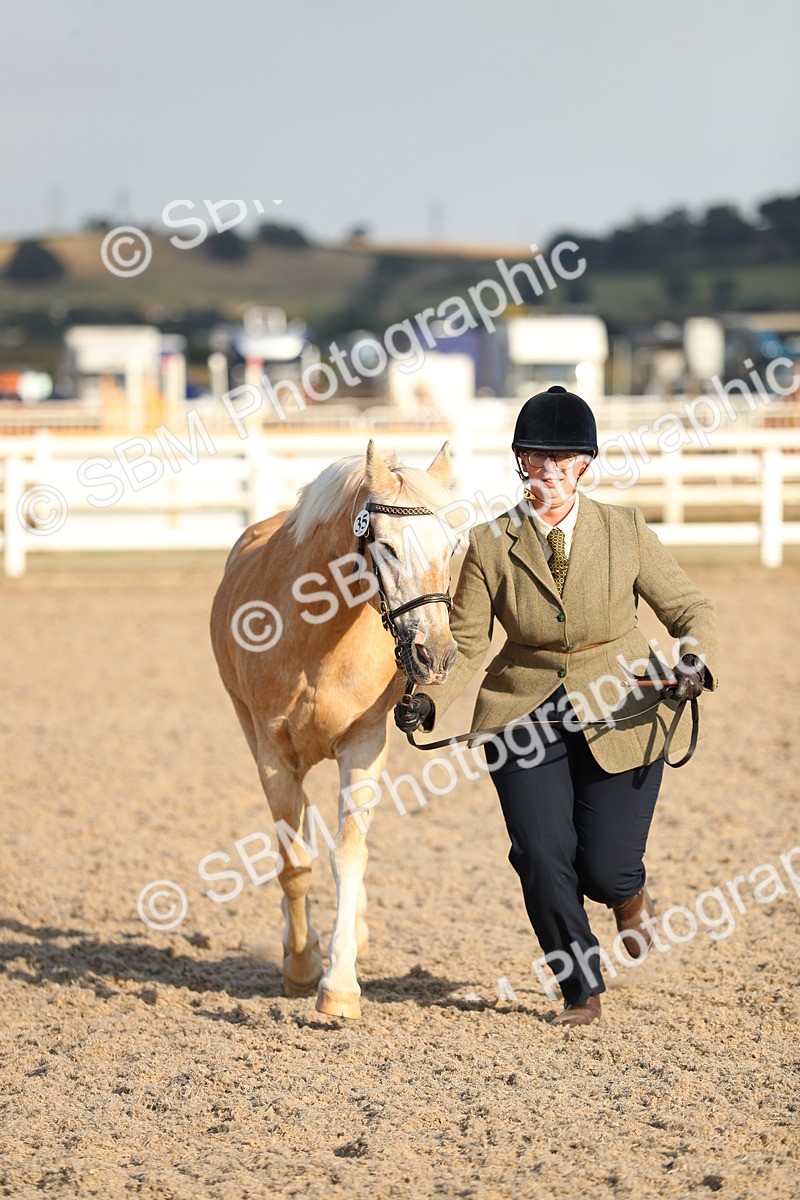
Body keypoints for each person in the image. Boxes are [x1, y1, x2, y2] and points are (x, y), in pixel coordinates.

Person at [394, 386, 718, 1028]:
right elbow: (465, 640)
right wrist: (427, 699)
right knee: (541, 852)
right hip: (523, 710)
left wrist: (692, 660)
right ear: (519, 462)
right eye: (534, 455)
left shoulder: (624, 530)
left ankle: (627, 895)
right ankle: (580, 986)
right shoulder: (489, 543)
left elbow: (690, 609)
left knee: (603, 867)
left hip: (623, 702)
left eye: (562, 457)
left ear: (584, 466)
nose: (547, 468)